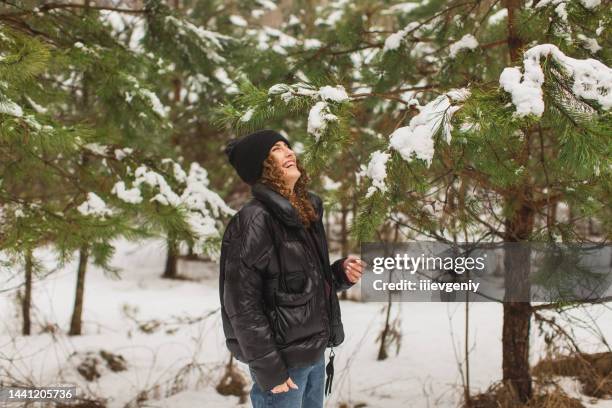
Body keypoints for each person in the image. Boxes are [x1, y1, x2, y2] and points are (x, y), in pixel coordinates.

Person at [219, 129, 365, 408]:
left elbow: (300, 287)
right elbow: (241, 305)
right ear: (261, 166)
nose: (288, 152)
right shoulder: (254, 221)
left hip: (314, 356)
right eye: (276, 149)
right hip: (282, 366)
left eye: (287, 146)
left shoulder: (305, 212)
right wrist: (270, 369)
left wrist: (339, 274)